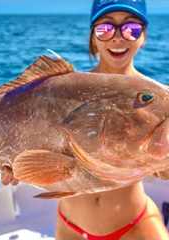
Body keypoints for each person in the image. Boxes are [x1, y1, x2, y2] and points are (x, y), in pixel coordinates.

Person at [55, 0, 169, 239]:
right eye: (105, 29)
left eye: (131, 29)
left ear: (143, 37)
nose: (118, 38)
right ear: (93, 37)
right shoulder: (65, 89)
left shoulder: (161, 101)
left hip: (135, 224)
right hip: (70, 226)